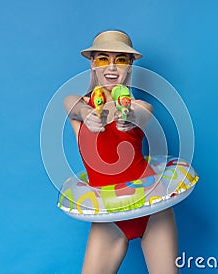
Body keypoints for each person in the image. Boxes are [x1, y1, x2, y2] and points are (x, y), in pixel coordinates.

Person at [64, 30, 178, 274]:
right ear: (93, 63)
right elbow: (73, 108)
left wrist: (128, 117)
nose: (112, 67)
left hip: (153, 210)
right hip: (110, 219)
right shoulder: (77, 103)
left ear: (130, 66)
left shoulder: (140, 106)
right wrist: (89, 116)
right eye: (104, 59)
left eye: (121, 60)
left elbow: (143, 114)